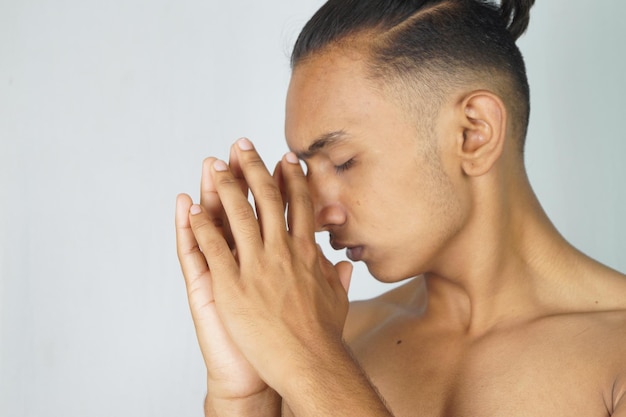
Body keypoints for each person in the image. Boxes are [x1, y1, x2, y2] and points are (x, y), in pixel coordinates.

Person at [175, 0, 626, 415]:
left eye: (343, 162)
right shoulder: (337, 335)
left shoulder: (614, 359)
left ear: (474, 133)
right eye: (309, 171)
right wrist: (245, 398)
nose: (313, 218)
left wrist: (311, 361)